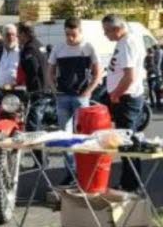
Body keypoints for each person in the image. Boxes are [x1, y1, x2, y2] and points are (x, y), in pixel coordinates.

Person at [48, 17, 102, 182]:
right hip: (63, 96)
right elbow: (50, 69)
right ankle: (70, 172)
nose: (70, 38)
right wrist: (53, 88)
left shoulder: (88, 47)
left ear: (80, 32)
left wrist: (89, 91)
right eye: (67, 35)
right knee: (65, 136)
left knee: (82, 136)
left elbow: (98, 72)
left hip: (80, 96)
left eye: (73, 34)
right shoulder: (59, 47)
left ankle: (84, 170)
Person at [101, 14, 147, 192]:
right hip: (123, 97)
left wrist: (116, 94)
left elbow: (130, 76)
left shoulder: (127, 43)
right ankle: (129, 181)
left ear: (118, 29)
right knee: (125, 141)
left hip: (126, 98)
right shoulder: (124, 42)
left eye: (107, 31)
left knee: (127, 141)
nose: (105, 35)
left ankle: (131, 184)